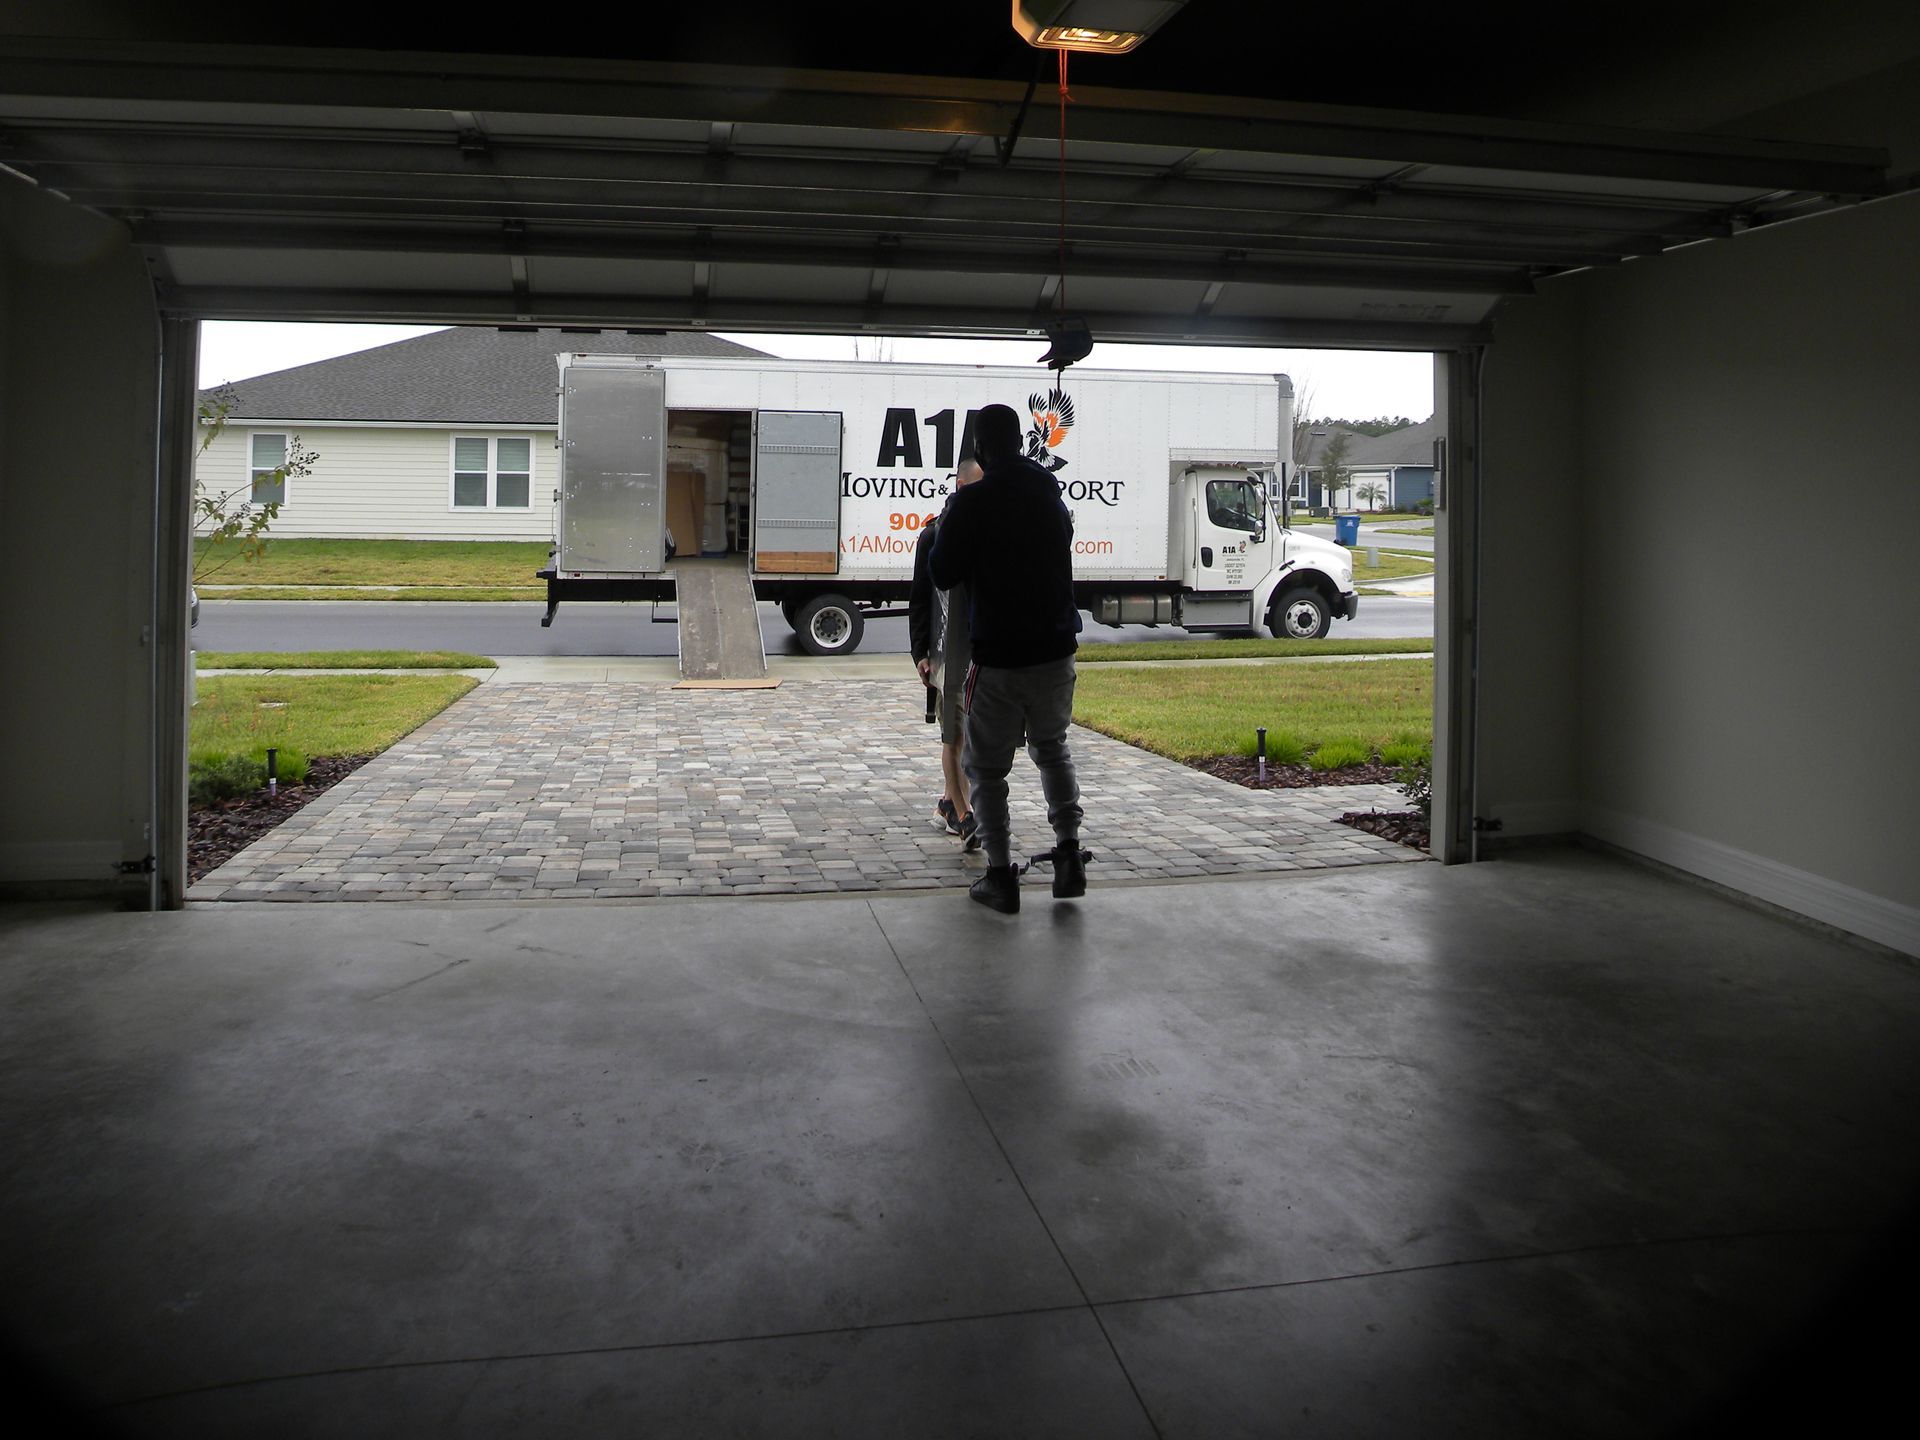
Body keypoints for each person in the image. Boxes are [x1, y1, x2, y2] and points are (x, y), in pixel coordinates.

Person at [928, 404, 1086, 913]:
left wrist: (952, 514)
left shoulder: (973, 504)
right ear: (1019, 441)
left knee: (988, 769)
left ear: (980, 447)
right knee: (1052, 749)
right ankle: (1068, 856)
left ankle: (1000, 875)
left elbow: (943, 571)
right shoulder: (1050, 497)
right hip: (1056, 651)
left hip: (998, 657)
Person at [907, 458, 981, 851]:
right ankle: (964, 813)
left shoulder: (991, 533)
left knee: (968, 736)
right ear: (959, 487)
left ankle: (948, 802)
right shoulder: (934, 536)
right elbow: (920, 599)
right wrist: (921, 653)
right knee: (953, 733)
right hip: (947, 654)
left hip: (982, 651)